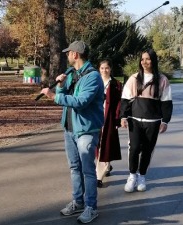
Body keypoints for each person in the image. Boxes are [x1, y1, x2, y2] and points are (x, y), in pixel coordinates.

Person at [40, 40, 104, 223]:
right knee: (74, 168)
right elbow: (67, 93)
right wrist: (60, 85)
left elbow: (80, 102)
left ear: (75, 54)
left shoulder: (92, 77)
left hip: (85, 130)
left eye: (68, 53)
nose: (67, 56)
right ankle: (78, 201)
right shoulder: (73, 74)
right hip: (69, 128)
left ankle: (91, 207)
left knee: (88, 170)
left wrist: (54, 96)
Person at [120, 49, 173, 193]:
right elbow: (125, 98)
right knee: (135, 148)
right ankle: (132, 176)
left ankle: (142, 176)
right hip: (135, 120)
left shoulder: (162, 80)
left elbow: (166, 102)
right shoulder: (134, 78)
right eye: (142, 59)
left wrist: (165, 120)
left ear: (153, 61)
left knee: (147, 150)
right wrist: (123, 116)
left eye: (148, 59)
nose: (144, 62)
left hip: (153, 121)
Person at [96, 59, 122, 188]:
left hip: (109, 118)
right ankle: (107, 164)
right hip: (95, 116)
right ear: (98, 69)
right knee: (97, 145)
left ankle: (98, 177)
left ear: (110, 69)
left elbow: (119, 103)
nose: (104, 70)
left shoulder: (116, 84)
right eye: (102, 68)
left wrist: (117, 119)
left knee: (104, 145)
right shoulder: (95, 82)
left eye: (106, 68)